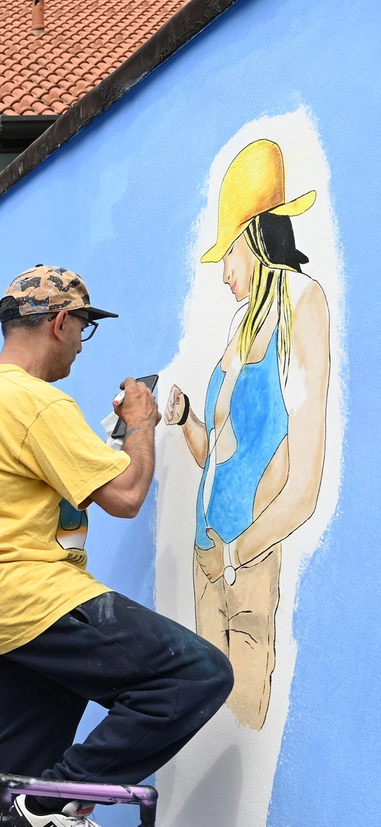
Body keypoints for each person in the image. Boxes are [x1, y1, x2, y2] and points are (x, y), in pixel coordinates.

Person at [0, 265, 233, 827]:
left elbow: (35, 483)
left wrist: (105, 444)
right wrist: (141, 426)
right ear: (58, 322)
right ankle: (49, 803)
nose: (81, 341)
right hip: (39, 599)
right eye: (83, 327)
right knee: (196, 673)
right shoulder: (37, 403)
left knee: (9, 771)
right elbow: (126, 495)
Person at [164, 139, 330, 731]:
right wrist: (187, 420)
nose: (223, 273)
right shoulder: (239, 325)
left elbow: (305, 482)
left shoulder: (303, 305)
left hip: (247, 566)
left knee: (242, 719)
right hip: (209, 561)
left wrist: (241, 552)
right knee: (207, 721)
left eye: (227, 254)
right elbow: (220, 459)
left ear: (252, 240)